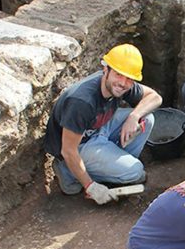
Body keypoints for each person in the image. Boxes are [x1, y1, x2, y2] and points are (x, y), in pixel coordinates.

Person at [43, 43, 162, 204]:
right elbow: (68, 150)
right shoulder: (82, 102)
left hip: (98, 130)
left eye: (129, 78)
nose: (123, 82)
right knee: (136, 172)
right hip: (79, 146)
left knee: (146, 119)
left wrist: (134, 116)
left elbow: (155, 97)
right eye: (119, 75)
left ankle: (115, 168)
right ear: (106, 70)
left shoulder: (122, 86)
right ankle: (68, 172)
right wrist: (90, 186)